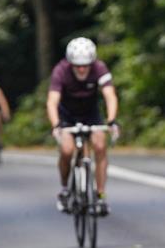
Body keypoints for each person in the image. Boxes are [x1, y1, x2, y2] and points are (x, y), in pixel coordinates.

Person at [46, 38, 120, 215]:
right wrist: (56, 124)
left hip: (90, 114)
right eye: (77, 65)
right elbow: (52, 102)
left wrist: (111, 120)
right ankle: (65, 189)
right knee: (66, 150)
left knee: (101, 146)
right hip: (67, 116)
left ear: (92, 62)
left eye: (85, 65)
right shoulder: (60, 71)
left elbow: (110, 96)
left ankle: (100, 195)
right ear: (70, 63)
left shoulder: (99, 68)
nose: (81, 69)